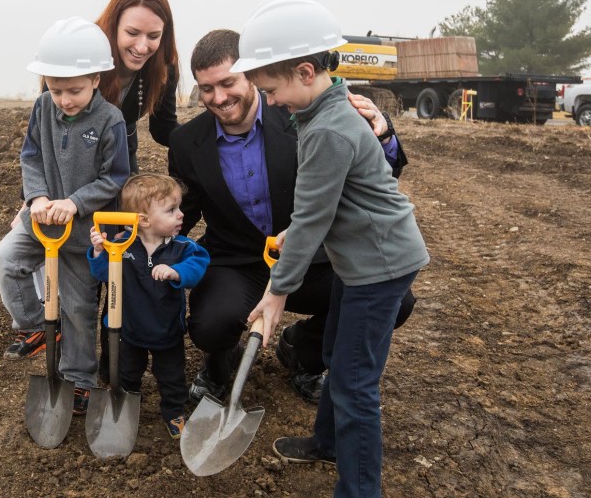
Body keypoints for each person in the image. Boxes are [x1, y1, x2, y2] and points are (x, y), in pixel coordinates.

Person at [236, 0, 429, 498]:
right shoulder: (321, 109)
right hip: (360, 259)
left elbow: (311, 219)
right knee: (339, 354)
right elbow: (314, 218)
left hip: (379, 266)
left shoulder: (328, 131)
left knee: (353, 380)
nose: (267, 101)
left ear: (305, 71)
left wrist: (276, 295)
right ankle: (326, 442)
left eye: (269, 90)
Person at [169, 29, 415, 405]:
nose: (218, 98)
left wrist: (383, 137)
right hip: (238, 264)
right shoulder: (186, 143)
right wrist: (149, 241)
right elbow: (184, 213)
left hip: (310, 259)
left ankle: (302, 351)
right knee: (211, 323)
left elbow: (383, 173)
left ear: (252, 75)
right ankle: (220, 364)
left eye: (227, 83)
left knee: (394, 301)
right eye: (206, 89)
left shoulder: (302, 113)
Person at [0, 17, 130, 414]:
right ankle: (37, 326)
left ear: (96, 80)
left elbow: (115, 177)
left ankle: (79, 380)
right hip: (42, 221)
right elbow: (30, 156)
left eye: (74, 90)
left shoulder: (109, 121)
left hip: (83, 231)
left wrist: (75, 203)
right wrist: (36, 197)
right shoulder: (42, 109)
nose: (65, 100)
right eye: (56, 90)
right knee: (5, 260)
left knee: (79, 309)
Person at [87, 173, 210, 439]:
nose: (180, 215)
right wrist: (99, 251)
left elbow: (199, 266)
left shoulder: (182, 248)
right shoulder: (121, 245)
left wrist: (176, 272)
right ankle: (127, 406)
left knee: (171, 376)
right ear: (142, 220)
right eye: (171, 210)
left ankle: (174, 410)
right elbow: (104, 274)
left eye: (179, 207)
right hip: (128, 329)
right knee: (127, 372)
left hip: (166, 330)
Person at [94, 0, 181, 173]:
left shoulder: (165, 68)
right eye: (132, 33)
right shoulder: (79, 51)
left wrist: (207, 136)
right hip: (72, 162)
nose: (142, 47)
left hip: (122, 158)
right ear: (113, 25)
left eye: (153, 36)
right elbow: (47, 128)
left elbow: (163, 129)